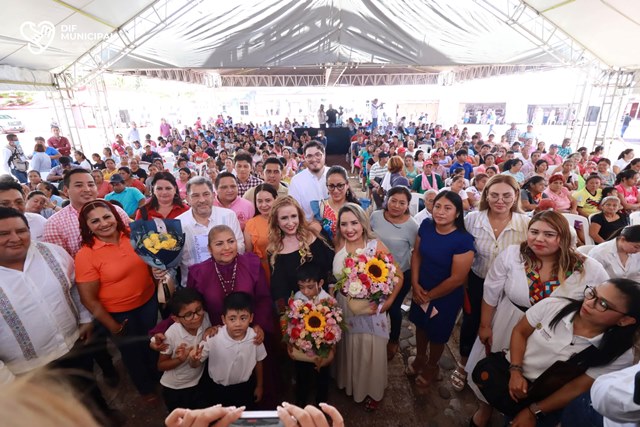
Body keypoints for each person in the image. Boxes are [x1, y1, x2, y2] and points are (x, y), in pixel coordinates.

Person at [466, 211, 609, 427]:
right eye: (534, 232)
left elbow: (606, 299)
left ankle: (522, 414)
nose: (539, 239)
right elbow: (491, 291)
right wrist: (485, 325)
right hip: (509, 321)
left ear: (563, 237)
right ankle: (485, 408)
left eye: (549, 234)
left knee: (535, 380)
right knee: (495, 370)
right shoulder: (514, 255)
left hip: (554, 334)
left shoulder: (587, 267)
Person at [0, 207, 121, 423]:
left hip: (72, 344)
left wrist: (85, 319)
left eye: (21, 231)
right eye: (3, 234)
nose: (15, 238)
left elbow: (76, 287)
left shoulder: (51, 252)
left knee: (89, 391)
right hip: (25, 369)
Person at [502, 279, 639, 426]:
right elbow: (520, 331)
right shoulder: (554, 306)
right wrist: (515, 371)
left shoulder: (619, 354)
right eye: (592, 293)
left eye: (603, 304)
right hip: (511, 379)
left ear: (624, 320)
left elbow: (577, 387)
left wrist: (533, 411)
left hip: (547, 401)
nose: (589, 302)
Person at [75, 199, 160, 401]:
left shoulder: (133, 235)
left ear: (115, 216)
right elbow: (88, 299)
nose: (103, 223)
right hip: (119, 314)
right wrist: (112, 325)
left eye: (106, 217)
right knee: (132, 353)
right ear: (87, 226)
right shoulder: (85, 255)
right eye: (95, 221)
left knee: (151, 343)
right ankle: (145, 388)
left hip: (148, 302)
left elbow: (149, 262)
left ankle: (157, 375)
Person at [452, 175, 530, 392]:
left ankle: (496, 364)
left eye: (507, 195)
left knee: (503, 325)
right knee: (472, 321)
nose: (500, 200)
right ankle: (464, 362)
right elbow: (461, 250)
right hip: (478, 280)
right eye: (494, 195)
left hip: (510, 287)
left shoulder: (526, 224)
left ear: (515, 197)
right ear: (486, 195)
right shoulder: (473, 220)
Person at [332, 203, 402, 411]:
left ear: (363, 223)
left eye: (354, 223)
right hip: (344, 307)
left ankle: (372, 390)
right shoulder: (338, 243)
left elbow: (398, 275)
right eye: (344, 224)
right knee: (349, 347)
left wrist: (388, 303)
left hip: (370, 309)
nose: (349, 229)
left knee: (368, 350)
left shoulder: (375, 245)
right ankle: (350, 383)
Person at [407, 191, 475, 390]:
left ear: (457, 213)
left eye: (447, 208)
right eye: (437, 206)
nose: (441, 212)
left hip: (445, 295)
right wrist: (415, 284)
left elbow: (457, 278)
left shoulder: (463, 240)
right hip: (421, 286)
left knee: (438, 333)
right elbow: (417, 254)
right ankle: (420, 357)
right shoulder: (426, 226)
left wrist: (429, 295)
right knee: (420, 324)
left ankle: (432, 366)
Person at [188, 292, 266, 409]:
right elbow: (195, 364)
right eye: (232, 319)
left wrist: (259, 386)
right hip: (217, 390)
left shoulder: (254, 337)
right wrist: (193, 359)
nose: (238, 324)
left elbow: (259, 361)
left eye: (243, 318)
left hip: (244, 389)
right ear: (224, 319)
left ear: (251, 318)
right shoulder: (213, 337)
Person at [370, 187, 419, 361]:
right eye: (393, 200)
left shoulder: (412, 225)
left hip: (400, 275)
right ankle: (375, 336)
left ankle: (393, 339)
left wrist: (415, 279)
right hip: (374, 273)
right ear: (386, 199)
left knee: (393, 307)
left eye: (402, 203)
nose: (396, 206)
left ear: (407, 205)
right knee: (375, 306)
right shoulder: (375, 216)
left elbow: (416, 252)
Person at [268, 196, 334, 312]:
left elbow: (330, 267)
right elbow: (279, 290)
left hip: (327, 306)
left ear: (299, 215)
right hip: (298, 314)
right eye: (284, 218)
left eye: (293, 216)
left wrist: (331, 300)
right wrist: (287, 319)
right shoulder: (274, 251)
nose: (290, 223)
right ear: (276, 221)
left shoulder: (316, 234)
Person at [43, 169, 130, 257]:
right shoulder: (55, 224)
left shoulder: (116, 211)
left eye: (91, 184)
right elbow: (60, 263)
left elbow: (132, 241)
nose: (87, 189)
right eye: (79, 185)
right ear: (66, 190)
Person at [176, 177, 244, 287]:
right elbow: (175, 262)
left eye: (206, 194)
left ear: (213, 195)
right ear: (187, 198)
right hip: (194, 286)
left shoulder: (228, 215)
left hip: (229, 281)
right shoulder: (178, 224)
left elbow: (241, 246)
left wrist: (223, 252)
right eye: (195, 196)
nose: (202, 200)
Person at [158, 288, 212, 411]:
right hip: (176, 389)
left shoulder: (206, 318)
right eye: (188, 315)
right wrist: (180, 359)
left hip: (198, 383)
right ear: (176, 319)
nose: (196, 317)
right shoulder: (171, 335)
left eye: (198, 310)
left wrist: (212, 329)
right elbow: (161, 365)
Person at [289, 262, 333, 407]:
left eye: (309, 287)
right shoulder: (297, 297)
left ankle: (321, 402)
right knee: (302, 374)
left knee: (322, 374)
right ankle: (301, 399)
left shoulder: (328, 301)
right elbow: (292, 321)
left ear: (320, 283)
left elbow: (334, 328)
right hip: (303, 346)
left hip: (322, 347)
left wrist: (331, 350)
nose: (305, 292)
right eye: (301, 287)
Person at [311, 165, 360, 242]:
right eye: (331, 186)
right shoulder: (320, 207)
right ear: (327, 186)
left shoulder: (357, 207)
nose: (336, 190)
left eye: (340, 186)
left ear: (347, 185)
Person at [244, 183, 277, 282]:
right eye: (259, 201)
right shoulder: (251, 224)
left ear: (276, 199)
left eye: (268, 200)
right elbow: (248, 253)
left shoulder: (284, 219)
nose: (263, 205)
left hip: (284, 268)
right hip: (261, 272)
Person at [288, 141, 329, 220]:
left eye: (318, 155)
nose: (314, 159)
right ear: (305, 158)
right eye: (309, 156)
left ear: (324, 155)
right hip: (308, 229)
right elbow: (295, 211)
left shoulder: (335, 175)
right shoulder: (296, 181)